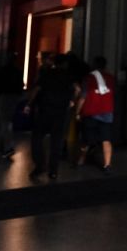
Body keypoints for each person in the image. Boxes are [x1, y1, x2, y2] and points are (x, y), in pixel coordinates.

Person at [27, 52, 80, 180]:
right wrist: (72, 101)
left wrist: (29, 104)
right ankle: (53, 171)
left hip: (45, 110)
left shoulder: (47, 74)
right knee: (57, 141)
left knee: (37, 137)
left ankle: (40, 165)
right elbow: (78, 89)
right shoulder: (69, 75)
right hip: (61, 112)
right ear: (66, 63)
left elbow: (36, 89)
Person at [74, 56, 116, 174]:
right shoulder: (111, 78)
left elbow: (83, 97)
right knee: (106, 139)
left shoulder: (88, 78)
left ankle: (81, 160)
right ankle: (107, 164)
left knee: (87, 139)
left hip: (91, 111)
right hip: (107, 111)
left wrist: (77, 112)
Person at [0, 52, 24, 159]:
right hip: (14, 97)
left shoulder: (1, 70)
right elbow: (21, 85)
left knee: (4, 121)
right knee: (7, 121)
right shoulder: (17, 71)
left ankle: (6, 147)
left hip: (3, 96)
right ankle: (3, 146)